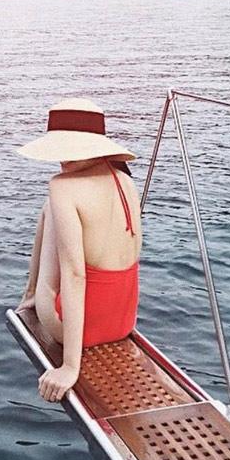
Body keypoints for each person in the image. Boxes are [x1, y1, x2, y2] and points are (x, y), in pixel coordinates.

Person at [14, 98, 142, 404]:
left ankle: (31, 294)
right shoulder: (126, 181)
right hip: (123, 322)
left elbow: (75, 275)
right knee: (53, 208)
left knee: (55, 202)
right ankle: (31, 293)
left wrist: (70, 366)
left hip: (77, 328)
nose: (63, 158)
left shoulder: (63, 187)